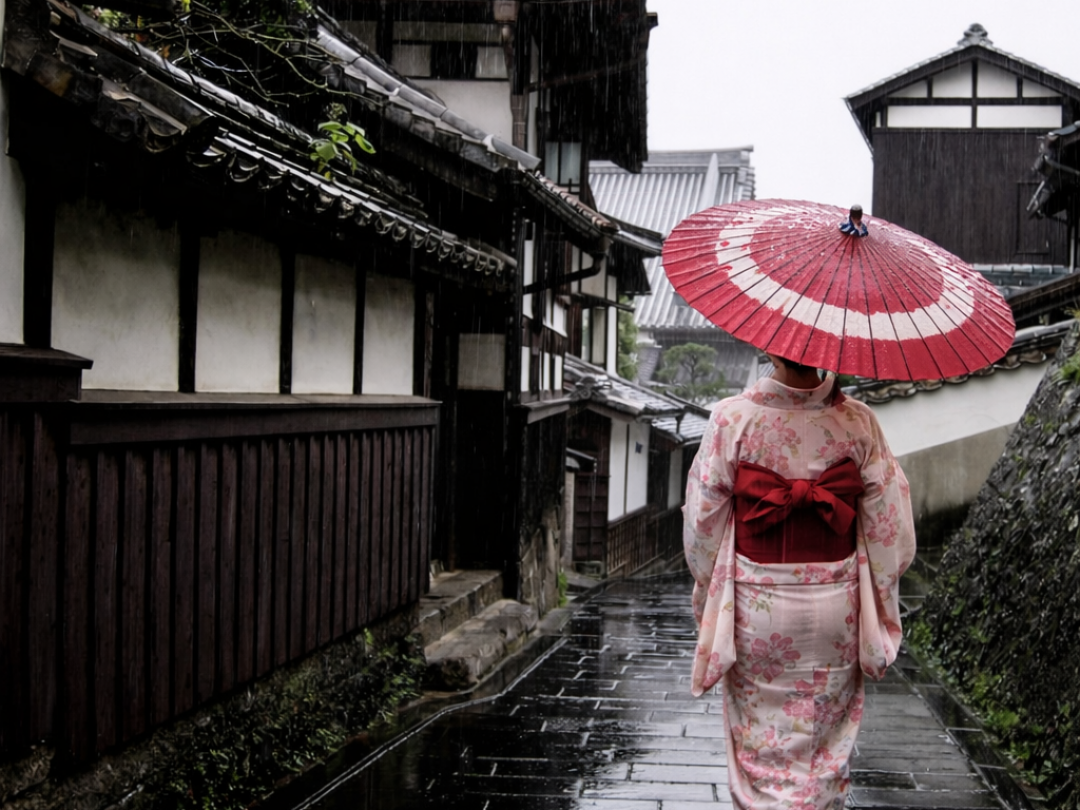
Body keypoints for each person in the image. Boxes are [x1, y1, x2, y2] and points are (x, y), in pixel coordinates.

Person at [683, 353, 916, 810]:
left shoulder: (733, 418)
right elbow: (892, 528)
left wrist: (708, 587)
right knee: (826, 737)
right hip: (836, 602)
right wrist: (881, 593)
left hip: (758, 603)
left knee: (759, 733)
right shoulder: (857, 421)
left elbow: (702, 524)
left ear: (770, 347)